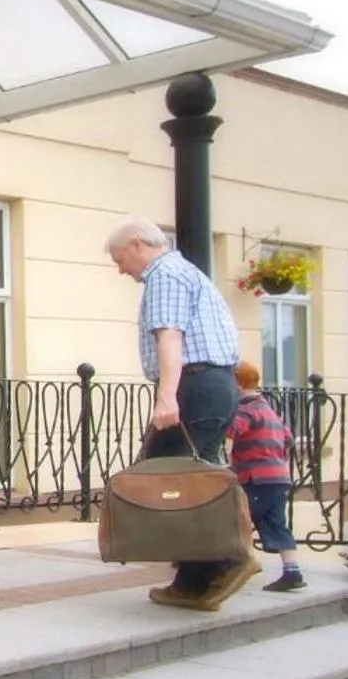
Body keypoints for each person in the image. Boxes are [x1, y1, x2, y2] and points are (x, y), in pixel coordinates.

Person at [105, 216, 256, 609]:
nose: (120, 270)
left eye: (120, 259)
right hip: (213, 385)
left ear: (137, 244)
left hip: (195, 386)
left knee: (168, 481)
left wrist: (167, 397)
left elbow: (169, 336)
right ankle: (194, 581)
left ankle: (227, 560)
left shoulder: (165, 275)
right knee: (189, 481)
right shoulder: (184, 271)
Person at [230, 361, 304, 592]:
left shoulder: (246, 408)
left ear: (238, 384)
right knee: (275, 522)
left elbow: (231, 430)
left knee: (239, 520)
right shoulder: (268, 409)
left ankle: (239, 564)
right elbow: (289, 439)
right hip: (278, 476)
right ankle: (292, 570)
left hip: (257, 477)